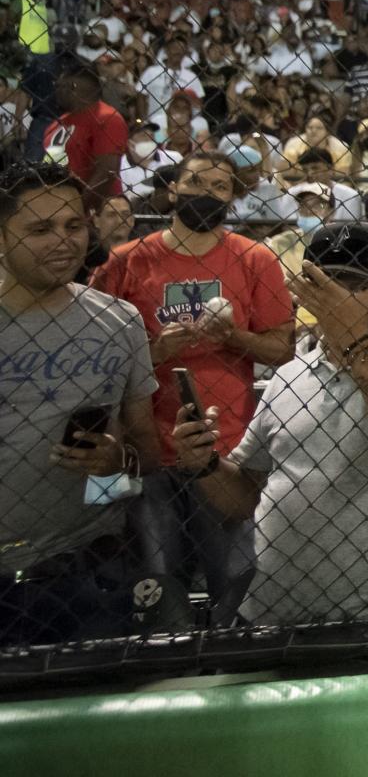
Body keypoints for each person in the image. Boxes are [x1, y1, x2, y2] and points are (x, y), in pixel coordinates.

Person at [166, 222, 368, 621]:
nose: (335, 297)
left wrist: (356, 342)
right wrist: (204, 462)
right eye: (323, 283)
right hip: (282, 612)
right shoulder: (289, 376)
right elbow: (243, 496)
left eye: (351, 283)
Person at [89, 151, 295, 627]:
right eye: (197, 181)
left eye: (221, 186)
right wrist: (153, 353)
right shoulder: (126, 261)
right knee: (156, 595)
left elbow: (282, 348)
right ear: (172, 189)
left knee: (237, 589)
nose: (207, 192)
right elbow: (92, 352)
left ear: (233, 199)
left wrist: (233, 338)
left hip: (227, 455)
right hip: (145, 452)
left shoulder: (254, 258)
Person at [0, 163, 160, 646]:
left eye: (74, 225)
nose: (64, 241)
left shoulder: (119, 320)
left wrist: (115, 464)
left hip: (87, 567)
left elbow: (146, 453)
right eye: (40, 228)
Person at [42, 60, 127, 213]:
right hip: (57, 208)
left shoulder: (106, 117)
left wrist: (77, 209)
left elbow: (107, 171)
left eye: (59, 86)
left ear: (73, 87)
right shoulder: (55, 125)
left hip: (97, 213)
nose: (55, 91)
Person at [293, 147, 363, 221]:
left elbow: (351, 230)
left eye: (315, 168)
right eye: (305, 170)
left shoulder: (350, 196)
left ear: (330, 169)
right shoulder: (292, 193)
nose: (309, 174)